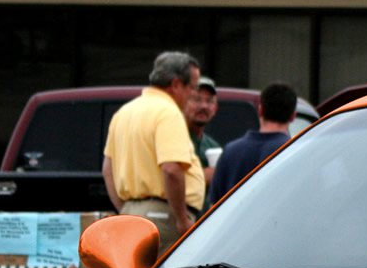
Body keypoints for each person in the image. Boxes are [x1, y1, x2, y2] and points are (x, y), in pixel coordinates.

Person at [102, 52, 205, 252]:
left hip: (132, 213)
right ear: (176, 84)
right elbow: (171, 169)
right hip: (164, 217)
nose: (193, 95)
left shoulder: (124, 112)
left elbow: (108, 170)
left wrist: (125, 210)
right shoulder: (168, 112)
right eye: (192, 87)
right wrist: (182, 219)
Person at [209, 82, 297, 207]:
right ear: (293, 116)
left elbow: (213, 208)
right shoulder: (295, 152)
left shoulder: (230, 151)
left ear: (260, 110)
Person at [188, 74, 222, 214]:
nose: (203, 106)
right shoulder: (175, 138)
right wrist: (203, 176)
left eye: (209, 101)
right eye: (197, 100)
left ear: (215, 108)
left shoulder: (213, 146)